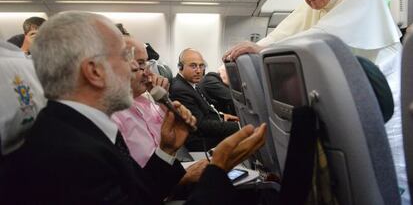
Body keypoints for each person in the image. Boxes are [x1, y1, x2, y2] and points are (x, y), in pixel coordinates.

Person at [0, 11, 267, 204]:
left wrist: (166, 150)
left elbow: (137, 195)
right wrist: (218, 170)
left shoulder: (82, 128)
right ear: (94, 71)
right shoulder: (71, 156)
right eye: (125, 57)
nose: (136, 69)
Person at [224, 0, 408, 203]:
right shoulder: (314, 5)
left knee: (391, 159)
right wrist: (257, 47)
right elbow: (282, 33)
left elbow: (322, 37)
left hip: (387, 84)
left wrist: (263, 49)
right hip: (355, 87)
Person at [111, 38, 208, 186]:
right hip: (160, 187)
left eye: (147, 64)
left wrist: (162, 98)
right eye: (141, 64)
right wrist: (182, 179)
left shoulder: (145, 99)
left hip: (171, 169)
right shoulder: (112, 117)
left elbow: (171, 137)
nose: (149, 72)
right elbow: (132, 187)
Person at [170, 48, 240, 151]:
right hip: (200, 141)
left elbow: (204, 111)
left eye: (201, 66)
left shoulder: (190, 84)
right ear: (180, 67)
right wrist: (238, 127)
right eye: (193, 66)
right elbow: (201, 125)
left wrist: (221, 116)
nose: (198, 71)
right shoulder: (180, 90)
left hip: (206, 130)